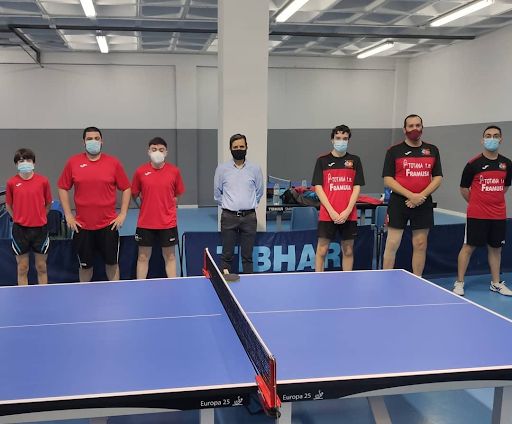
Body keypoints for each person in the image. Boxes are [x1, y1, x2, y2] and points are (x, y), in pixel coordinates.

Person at [58, 126, 131, 282]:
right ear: (84, 142)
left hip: (108, 225)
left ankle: (116, 294)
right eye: (89, 139)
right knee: (85, 268)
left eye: (96, 139)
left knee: (112, 265)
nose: (93, 141)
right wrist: (68, 215)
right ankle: (84, 296)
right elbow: (62, 187)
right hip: (82, 226)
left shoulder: (113, 163)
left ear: (102, 141)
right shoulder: (73, 162)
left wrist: (123, 213)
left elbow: (126, 188)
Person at [453, 126, 512, 296]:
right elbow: (464, 188)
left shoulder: (507, 164)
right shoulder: (473, 164)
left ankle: (496, 283)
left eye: (495, 136)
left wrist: (492, 200)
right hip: (477, 214)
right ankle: (459, 282)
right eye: (488, 136)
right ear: (482, 140)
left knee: (496, 249)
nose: (492, 138)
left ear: (500, 139)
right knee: (468, 247)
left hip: (498, 215)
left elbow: (505, 187)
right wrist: (477, 202)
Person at [382, 114, 443, 276]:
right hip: (398, 202)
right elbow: (388, 179)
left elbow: (438, 178)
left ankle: (418, 280)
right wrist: (411, 195)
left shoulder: (432, 150)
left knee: (420, 243)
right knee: (392, 243)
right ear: (404, 129)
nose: (414, 129)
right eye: (411, 126)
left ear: (422, 128)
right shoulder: (394, 151)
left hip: (423, 202)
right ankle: (384, 279)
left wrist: (420, 196)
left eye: (418, 125)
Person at [312, 125, 365, 272]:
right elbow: (318, 187)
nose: (341, 141)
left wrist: (347, 211)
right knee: (322, 250)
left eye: (345, 138)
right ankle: (318, 279)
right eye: (338, 138)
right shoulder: (322, 161)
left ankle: (346, 281)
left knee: (348, 250)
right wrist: (331, 211)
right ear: (332, 140)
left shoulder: (355, 161)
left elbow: (356, 187)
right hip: (327, 213)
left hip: (349, 214)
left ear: (348, 140)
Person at [132, 137, 185, 279]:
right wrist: (144, 207)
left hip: (168, 223)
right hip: (145, 223)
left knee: (170, 256)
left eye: (161, 150)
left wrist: (169, 207)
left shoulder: (174, 171)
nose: (157, 152)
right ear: (148, 151)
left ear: (166, 152)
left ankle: (173, 285)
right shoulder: (140, 171)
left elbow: (178, 193)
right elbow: (134, 193)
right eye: (154, 149)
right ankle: (140, 286)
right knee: (143, 257)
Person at [214, 133, 264, 274]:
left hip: (249, 218)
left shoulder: (255, 169)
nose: (239, 149)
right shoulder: (222, 169)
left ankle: (249, 283)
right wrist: (230, 206)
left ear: (247, 147)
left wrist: (247, 205)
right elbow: (217, 194)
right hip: (228, 217)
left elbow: (259, 192)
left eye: (241, 146)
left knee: (247, 256)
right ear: (230, 149)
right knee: (227, 255)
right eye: (235, 147)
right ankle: (225, 282)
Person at [5, 148, 52, 285]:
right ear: (16, 164)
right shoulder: (11, 183)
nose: (25, 162)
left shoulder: (43, 181)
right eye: (21, 161)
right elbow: (8, 205)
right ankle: (23, 296)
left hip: (40, 229)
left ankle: (44, 294)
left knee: (41, 267)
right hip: (20, 230)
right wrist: (17, 219)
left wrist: (40, 216)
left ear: (33, 163)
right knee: (22, 268)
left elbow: (48, 203)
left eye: (28, 160)